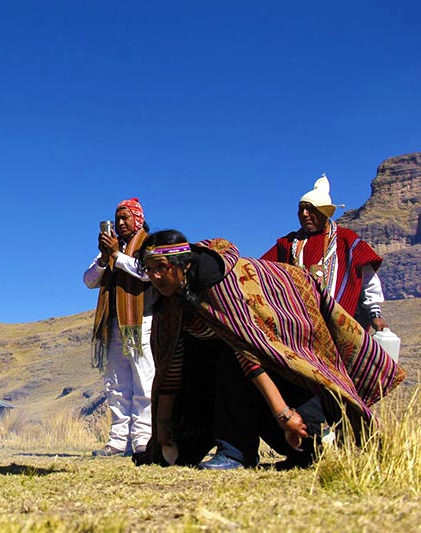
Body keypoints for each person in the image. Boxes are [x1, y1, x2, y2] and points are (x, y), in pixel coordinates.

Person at [136, 230, 404, 470]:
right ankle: (217, 442)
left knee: (297, 434)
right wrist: (162, 437)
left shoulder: (220, 283)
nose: (155, 277)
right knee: (180, 450)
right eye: (149, 269)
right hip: (223, 378)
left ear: (185, 265)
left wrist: (284, 415)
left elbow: (250, 353)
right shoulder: (168, 302)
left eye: (161, 267)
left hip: (272, 369)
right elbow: (170, 366)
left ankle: (239, 451)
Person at [262, 174, 389, 332]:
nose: (304, 214)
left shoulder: (346, 240)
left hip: (337, 326)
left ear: (324, 212)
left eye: (310, 209)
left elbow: (368, 279)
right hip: (297, 325)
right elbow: (261, 270)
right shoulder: (288, 244)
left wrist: (375, 314)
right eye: (301, 209)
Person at [84, 198, 155, 456]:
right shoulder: (111, 249)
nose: (120, 223)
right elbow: (89, 280)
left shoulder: (149, 243)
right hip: (114, 323)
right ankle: (117, 440)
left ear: (137, 218)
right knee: (116, 383)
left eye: (125, 218)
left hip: (141, 323)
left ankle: (143, 439)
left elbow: (148, 272)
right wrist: (105, 258)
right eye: (117, 219)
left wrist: (116, 255)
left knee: (143, 381)